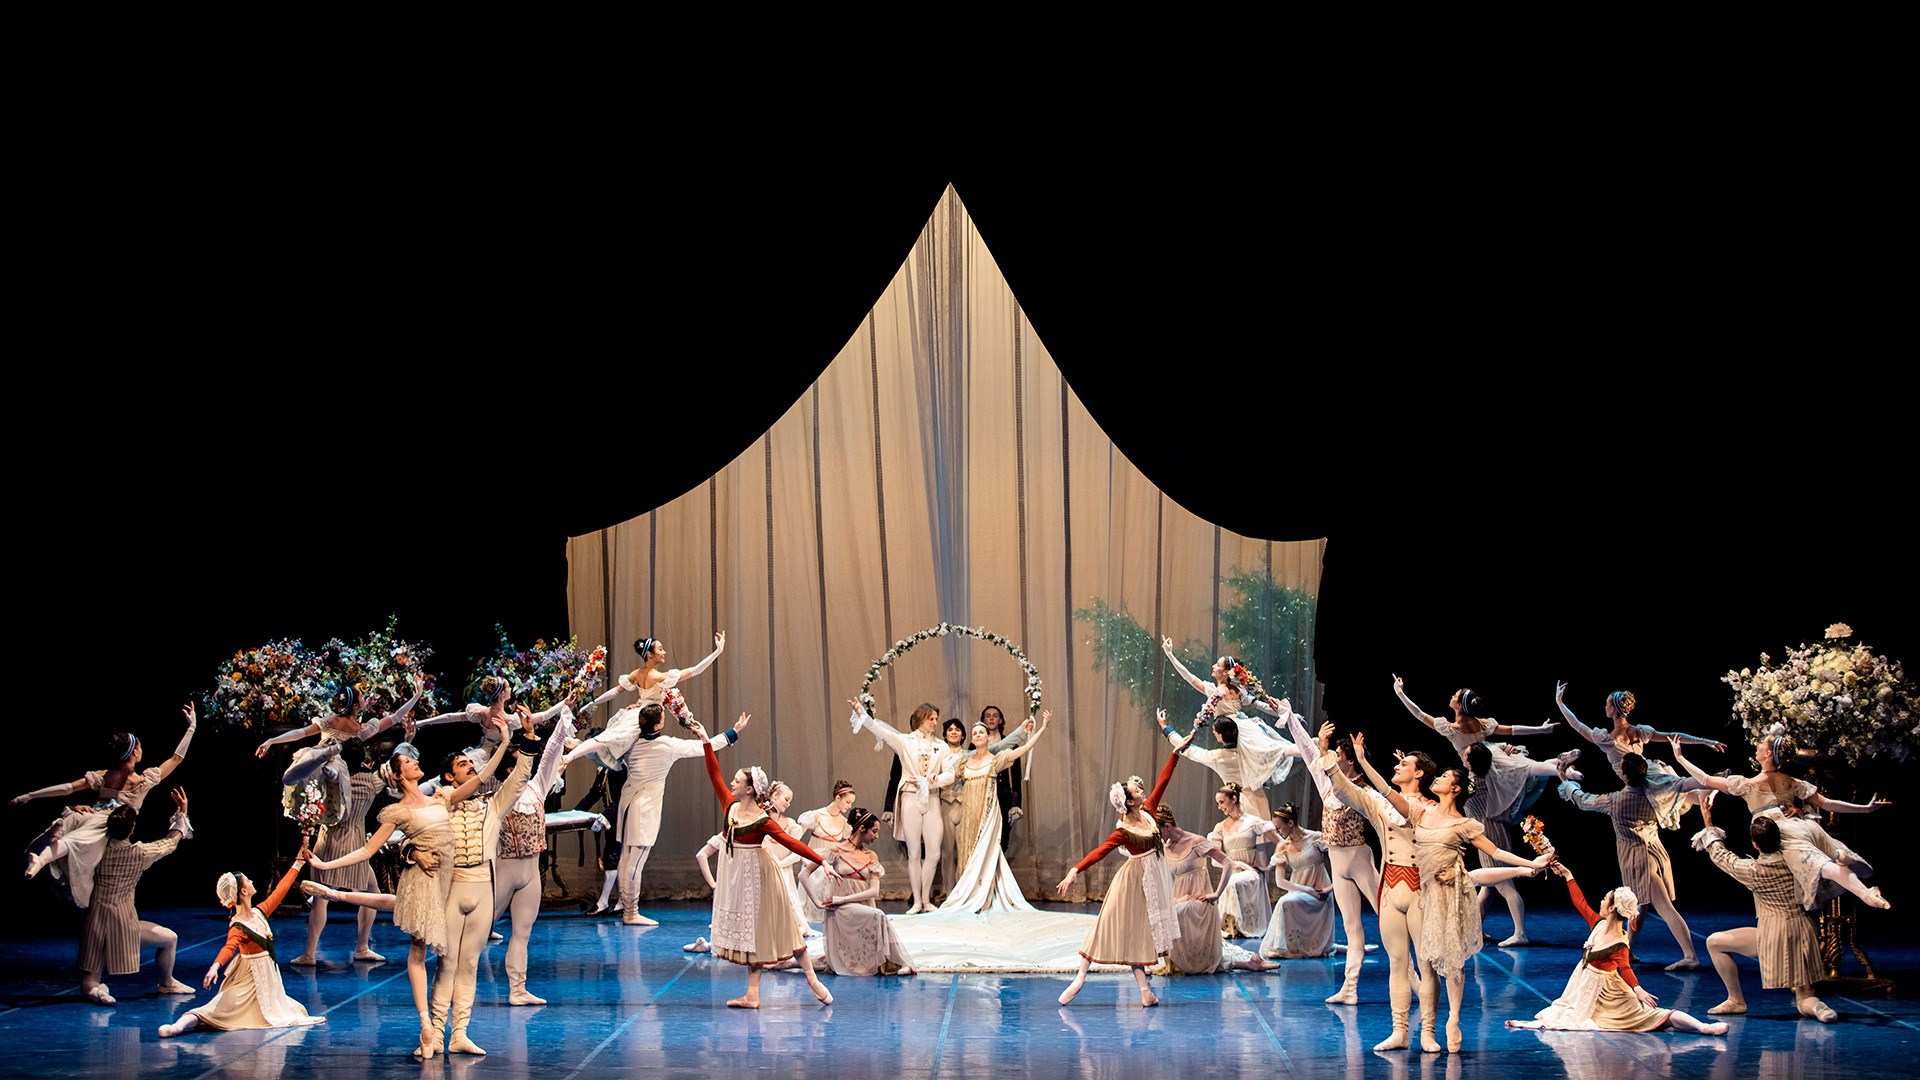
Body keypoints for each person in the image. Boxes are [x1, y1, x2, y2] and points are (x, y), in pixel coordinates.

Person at [303, 722, 504, 1060]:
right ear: (399, 775)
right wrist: (326, 864)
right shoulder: (398, 811)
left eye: (414, 759)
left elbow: (481, 778)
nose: (415, 762)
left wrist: (506, 742)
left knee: (398, 909)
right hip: (423, 879)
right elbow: (368, 850)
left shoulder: (441, 797)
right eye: (408, 762)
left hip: (449, 881)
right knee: (418, 949)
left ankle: (336, 895)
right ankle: (427, 1024)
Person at [1348, 730, 1554, 1053]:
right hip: (1425, 890)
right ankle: (1410, 1029)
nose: (1439, 778)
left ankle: (1447, 1021)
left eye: (1444, 777)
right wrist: (1362, 761)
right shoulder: (1421, 812)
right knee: (1418, 961)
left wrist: (1530, 863)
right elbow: (1387, 792)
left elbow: (1496, 852)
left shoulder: (1463, 824)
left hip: (1450, 890)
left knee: (1448, 962)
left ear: (1455, 789)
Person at [1394, 677, 1573, 946]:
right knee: (1488, 886)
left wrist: (1400, 693)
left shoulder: (1456, 736)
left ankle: (1520, 933)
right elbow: (1512, 730)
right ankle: (1475, 930)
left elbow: (1420, 715)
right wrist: (1541, 730)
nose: (1451, 696)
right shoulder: (1482, 726)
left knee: (1502, 883)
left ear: (1459, 706)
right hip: (1491, 781)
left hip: (1486, 815)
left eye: (1455, 695)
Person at [565, 681, 749, 926]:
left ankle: (628, 909)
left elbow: (607, 741)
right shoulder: (667, 745)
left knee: (626, 859)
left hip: (627, 803)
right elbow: (704, 747)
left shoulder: (630, 741)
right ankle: (631, 912)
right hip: (644, 807)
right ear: (658, 724)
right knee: (635, 861)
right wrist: (733, 732)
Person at [1054, 725, 1197, 1007]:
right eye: (1136, 791)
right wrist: (1074, 870)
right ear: (1129, 802)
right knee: (1106, 925)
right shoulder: (1124, 831)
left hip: (1152, 881)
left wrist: (1176, 753)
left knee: (1139, 934)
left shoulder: (1149, 812)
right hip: (1132, 881)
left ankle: (1145, 992)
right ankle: (1079, 979)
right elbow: (1100, 852)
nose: (1142, 791)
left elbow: (1163, 781)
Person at [694, 718, 832, 1007]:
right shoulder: (730, 805)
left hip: (760, 875)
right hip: (737, 875)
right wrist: (706, 740)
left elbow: (792, 843)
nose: (732, 783)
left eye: (737, 781)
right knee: (750, 935)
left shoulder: (762, 820)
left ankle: (811, 978)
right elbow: (713, 773)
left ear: (749, 789)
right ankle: (752, 994)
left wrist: (822, 861)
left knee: (782, 926)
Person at [1670, 731, 1890, 910]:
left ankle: (1860, 887)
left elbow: (1705, 779)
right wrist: (1865, 809)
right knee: (1825, 865)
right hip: (1805, 827)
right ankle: (1865, 892)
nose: (1757, 747)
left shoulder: (1748, 784)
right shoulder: (1791, 781)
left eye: (1761, 745)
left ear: (1767, 754)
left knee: (1819, 865)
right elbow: (1829, 804)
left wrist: (1679, 757)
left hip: (1781, 831)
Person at [1506, 862, 1727, 1035]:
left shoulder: (1620, 942)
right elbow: (1580, 903)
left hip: (1609, 993)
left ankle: (1702, 1027)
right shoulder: (1598, 924)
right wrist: (1568, 875)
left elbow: (1625, 968)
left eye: (1605, 899)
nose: (1601, 901)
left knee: (1654, 1015)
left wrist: (1638, 989)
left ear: (1612, 908)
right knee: (1566, 1013)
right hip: (1583, 988)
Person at [1316, 746, 1440, 1051]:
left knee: (1425, 963)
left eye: (1404, 764)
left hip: (1420, 891)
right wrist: (1329, 762)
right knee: (1397, 962)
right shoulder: (1379, 804)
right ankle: (1400, 1031)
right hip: (1390, 889)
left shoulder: (1431, 809)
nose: (1397, 766)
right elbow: (1346, 792)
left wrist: (1362, 761)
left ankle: (1428, 1031)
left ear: (1419, 773)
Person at [20, 705, 196, 907]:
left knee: (75, 826)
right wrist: (191, 728)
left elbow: (67, 788)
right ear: (135, 752)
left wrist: (30, 795)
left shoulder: (104, 777)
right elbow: (176, 758)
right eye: (140, 747)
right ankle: (47, 850)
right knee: (80, 838)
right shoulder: (142, 781)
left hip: (92, 816)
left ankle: (49, 844)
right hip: (107, 826)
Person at [1691, 800, 1837, 1022]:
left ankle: (1736, 1000)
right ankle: (1819, 1008)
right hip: (1804, 933)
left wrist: (1708, 822)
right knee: (1804, 998)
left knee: (1714, 942)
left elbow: (1721, 856)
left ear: (1755, 844)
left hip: (1774, 936)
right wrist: (1801, 813)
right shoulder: (1796, 859)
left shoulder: (1755, 870)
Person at [159, 847, 328, 1038]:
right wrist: (215, 966)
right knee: (215, 1009)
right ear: (244, 891)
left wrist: (298, 863)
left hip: (268, 980)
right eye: (248, 880)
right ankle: (177, 1026)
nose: (252, 881)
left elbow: (281, 890)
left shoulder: (259, 912)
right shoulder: (238, 925)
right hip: (248, 979)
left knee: (290, 1009)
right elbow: (229, 947)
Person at [1558, 754, 1699, 969]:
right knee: (1639, 905)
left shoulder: (1616, 800)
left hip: (1638, 860)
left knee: (1664, 908)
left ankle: (1690, 957)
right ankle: (1628, 949)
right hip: (1654, 853)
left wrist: (1565, 782)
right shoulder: (1653, 793)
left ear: (1624, 776)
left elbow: (1583, 800)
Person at [1287, 712, 1382, 1003]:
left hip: (1359, 859)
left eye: (1338, 754)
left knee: (1388, 918)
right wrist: (1288, 717)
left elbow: (1390, 819)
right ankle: (1349, 987)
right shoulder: (1327, 785)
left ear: (1350, 760)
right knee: (1351, 926)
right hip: (1338, 864)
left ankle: (1413, 977)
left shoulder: (1363, 792)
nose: (1332, 757)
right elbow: (1307, 750)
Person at [490, 702, 576, 1005]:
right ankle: (450, 986)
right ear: (510, 770)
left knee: (522, 933)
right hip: (503, 871)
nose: (530, 763)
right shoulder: (499, 796)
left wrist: (563, 716)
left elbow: (551, 753)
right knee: (475, 933)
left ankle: (518, 990)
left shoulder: (538, 788)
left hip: (530, 874)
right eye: (521, 761)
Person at [76, 788, 194, 1005]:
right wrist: (182, 812)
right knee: (170, 938)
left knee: (90, 980)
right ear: (131, 830)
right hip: (123, 925)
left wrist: (78, 811)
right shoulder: (139, 854)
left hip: (95, 922)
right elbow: (171, 841)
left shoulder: (97, 849)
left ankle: (97, 992)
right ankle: (167, 982)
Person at [1159, 638, 1301, 819]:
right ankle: (1306, 748)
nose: (1213, 666)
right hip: (1245, 725)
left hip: (1237, 727)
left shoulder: (1220, 691)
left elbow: (1188, 676)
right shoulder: (1236, 691)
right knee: (1272, 749)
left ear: (1226, 672)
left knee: (1272, 749)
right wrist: (1286, 714)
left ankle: (1306, 749)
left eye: (1217, 665)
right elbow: (1262, 706)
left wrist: (1170, 654)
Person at [1556, 685, 1720, 829]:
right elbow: (1672, 736)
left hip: (1644, 783)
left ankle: (1716, 785)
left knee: (1684, 794)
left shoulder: (1608, 740)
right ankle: (1716, 785)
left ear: (1613, 709)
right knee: (1691, 793)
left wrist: (1560, 703)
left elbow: (1576, 724)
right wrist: (1705, 741)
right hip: (1654, 772)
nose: (1605, 706)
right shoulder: (1640, 731)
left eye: (1607, 704)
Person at [936, 712, 1047, 913]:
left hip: (987, 814)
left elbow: (1023, 749)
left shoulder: (996, 759)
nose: (978, 735)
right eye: (975, 733)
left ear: (988, 736)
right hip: (968, 813)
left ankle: (986, 892)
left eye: (982, 732)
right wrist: (928, 782)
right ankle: (969, 894)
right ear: (971, 738)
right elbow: (947, 778)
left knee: (986, 851)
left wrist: (1041, 728)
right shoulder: (964, 761)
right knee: (967, 851)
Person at [850, 700, 953, 913]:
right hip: (910, 797)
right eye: (931, 719)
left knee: (934, 853)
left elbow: (950, 774)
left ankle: (926, 900)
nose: (935, 723)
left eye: (936, 719)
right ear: (921, 718)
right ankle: (918, 901)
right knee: (914, 852)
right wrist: (862, 715)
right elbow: (879, 730)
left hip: (932, 797)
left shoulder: (941, 746)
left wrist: (935, 780)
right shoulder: (904, 741)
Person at [1153, 804, 1277, 975]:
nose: (1158, 837)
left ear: (1167, 826)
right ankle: (1243, 963)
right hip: (1182, 900)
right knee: (1161, 914)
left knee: (1173, 914)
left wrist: (1216, 894)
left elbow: (1227, 862)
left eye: (1159, 832)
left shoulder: (1195, 842)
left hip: (1201, 902)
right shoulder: (1165, 848)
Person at [293, 737, 385, 965]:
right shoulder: (371, 781)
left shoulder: (328, 779)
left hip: (328, 842)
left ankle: (310, 954)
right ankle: (362, 947)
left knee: (320, 898)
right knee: (370, 893)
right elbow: (391, 774)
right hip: (355, 843)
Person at [798, 809, 917, 975]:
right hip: (840, 910)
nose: (876, 836)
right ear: (862, 829)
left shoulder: (871, 855)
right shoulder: (837, 850)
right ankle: (902, 962)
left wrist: (843, 899)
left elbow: (874, 891)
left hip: (860, 906)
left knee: (876, 917)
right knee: (879, 915)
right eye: (874, 831)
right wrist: (818, 903)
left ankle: (900, 962)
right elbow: (803, 874)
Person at [1259, 804, 1336, 960]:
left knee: (1284, 902)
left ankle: (1301, 946)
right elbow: (1280, 882)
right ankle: (1284, 946)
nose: (1276, 832)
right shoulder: (1282, 847)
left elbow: (1341, 863)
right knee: (1284, 901)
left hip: (1320, 892)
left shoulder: (1315, 838)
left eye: (1278, 827)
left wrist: (1331, 888)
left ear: (1290, 823)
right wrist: (1307, 890)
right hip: (1301, 891)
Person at [1206, 782, 1276, 939]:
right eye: (1218, 803)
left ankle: (1224, 925)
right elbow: (1215, 860)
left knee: (1232, 883)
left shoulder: (1253, 821)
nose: (1219, 807)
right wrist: (1239, 864)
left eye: (1222, 802)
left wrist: (1269, 866)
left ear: (1233, 799)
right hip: (1234, 871)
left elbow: (1280, 842)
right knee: (1230, 881)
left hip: (1252, 872)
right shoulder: (1220, 827)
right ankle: (1227, 926)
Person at [978, 706, 1026, 848]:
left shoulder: (1011, 745)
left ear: (1000, 720)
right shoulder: (976, 745)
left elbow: (1016, 776)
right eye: (988, 716)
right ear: (983, 720)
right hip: (983, 794)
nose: (991, 719)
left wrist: (1015, 803)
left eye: (995, 716)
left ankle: (1001, 860)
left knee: (1003, 833)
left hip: (1004, 794)